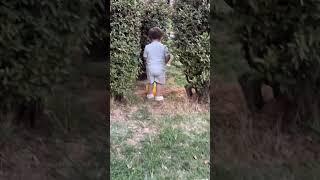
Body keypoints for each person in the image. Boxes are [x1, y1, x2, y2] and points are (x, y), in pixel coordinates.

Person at [143, 27, 170, 101]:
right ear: (161, 37)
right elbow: (168, 56)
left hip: (150, 68)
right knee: (159, 82)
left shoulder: (147, 47)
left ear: (149, 37)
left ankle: (150, 95)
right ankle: (158, 96)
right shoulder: (164, 47)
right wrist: (165, 62)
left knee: (151, 82)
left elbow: (145, 57)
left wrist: (147, 62)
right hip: (160, 68)